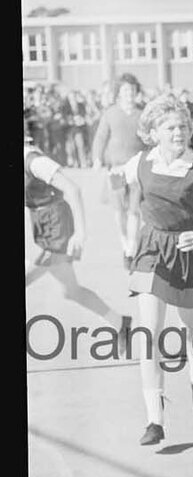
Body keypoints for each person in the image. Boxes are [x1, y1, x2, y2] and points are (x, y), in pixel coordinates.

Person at [124, 94, 193, 446]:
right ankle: (154, 420)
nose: (179, 132)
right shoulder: (139, 164)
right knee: (150, 335)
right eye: (170, 127)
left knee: (192, 332)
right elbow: (132, 209)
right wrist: (128, 245)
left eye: (183, 126)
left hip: (188, 254)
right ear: (153, 131)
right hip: (151, 253)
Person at [24, 131, 129, 336]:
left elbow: (73, 189)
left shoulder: (33, 160)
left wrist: (80, 233)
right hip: (43, 221)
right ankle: (119, 323)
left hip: (56, 224)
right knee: (70, 290)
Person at [91, 73, 145, 268]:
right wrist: (97, 158)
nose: (129, 93)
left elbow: (150, 138)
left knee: (134, 210)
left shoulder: (142, 114)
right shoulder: (110, 113)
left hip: (137, 170)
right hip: (116, 170)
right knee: (119, 211)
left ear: (136, 92)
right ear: (119, 93)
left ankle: (132, 249)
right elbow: (100, 137)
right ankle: (125, 243)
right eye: (125, 90)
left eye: (132, 90)